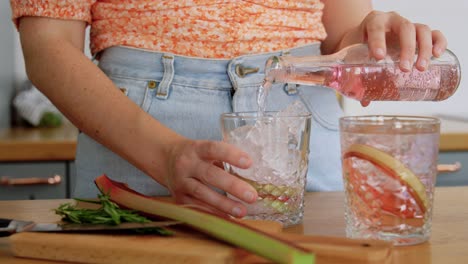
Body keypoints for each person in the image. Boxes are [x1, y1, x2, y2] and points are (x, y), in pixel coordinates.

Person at [10, 1, 447, 218]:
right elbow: (49, 48)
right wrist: (163, 152)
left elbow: (341, 35)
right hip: (136, 147)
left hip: (301, 129)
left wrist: (370, 40)